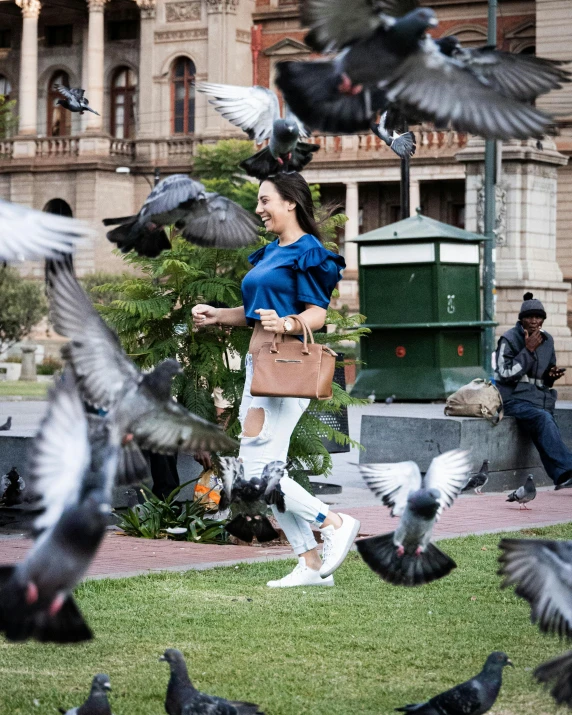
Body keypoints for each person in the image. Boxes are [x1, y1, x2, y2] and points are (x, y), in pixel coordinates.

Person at [192, 171, 360, 588]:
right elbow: (254, 315)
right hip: (259, 369)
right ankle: (311, 564)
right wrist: (217, 315)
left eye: (265, 200)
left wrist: (286, 323)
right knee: (266, 472)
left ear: (290, 203)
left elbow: (317, 314)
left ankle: (334, 522)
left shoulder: (309, 251)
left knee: (256, 471)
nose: (259, 208)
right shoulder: (271, 252)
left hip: (283, 372)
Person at [494, 292, 572, 489]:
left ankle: (563, 475)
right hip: (513, 400)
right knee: (543, 419)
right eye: (529, 317)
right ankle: (568, 469)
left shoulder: (548, 340)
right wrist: (527, 351)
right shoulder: (509, 338)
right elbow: (504, 373)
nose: (534, 321)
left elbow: (545, 374)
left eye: (538, 317)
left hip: (537, 400)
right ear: (521, 319)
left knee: (544, 422)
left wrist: (550, 377)